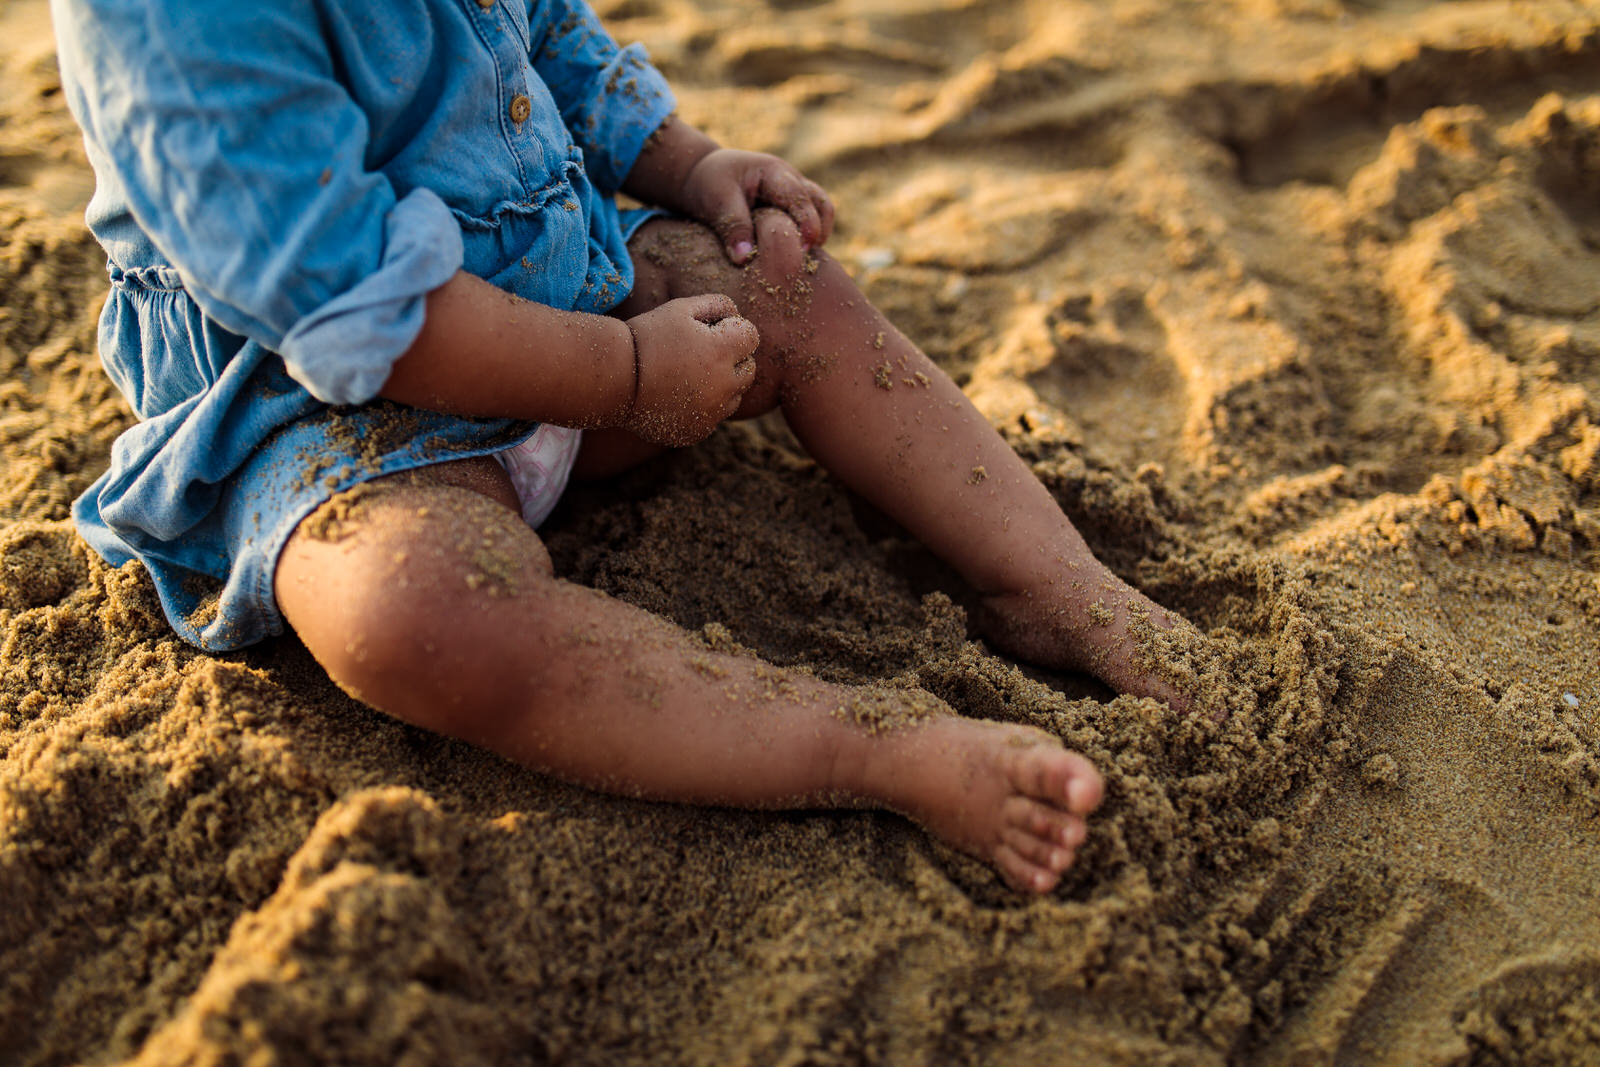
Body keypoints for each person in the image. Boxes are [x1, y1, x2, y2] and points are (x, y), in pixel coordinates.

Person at [51, 0, 1192, 894]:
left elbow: (545, 35)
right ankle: (877, 748)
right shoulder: (168, 18)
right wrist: (627, 377)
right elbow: (354, 311)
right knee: (414, 612)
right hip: (329, 410)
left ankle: (1053, 579)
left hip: (558, 275)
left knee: (779, 279)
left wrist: (684, 163)